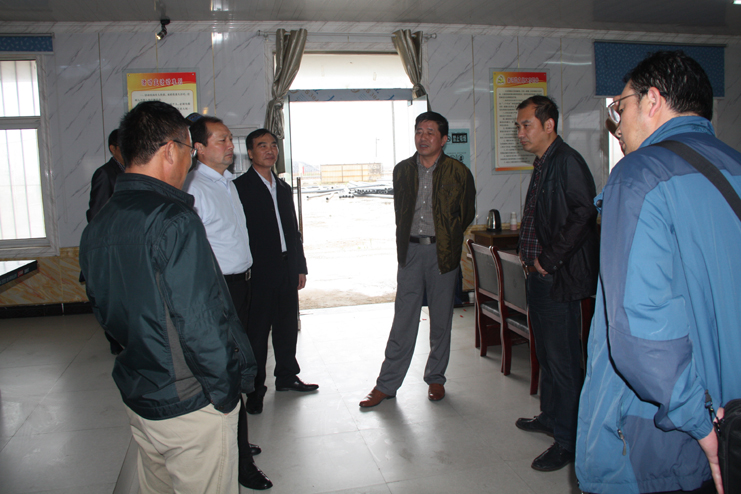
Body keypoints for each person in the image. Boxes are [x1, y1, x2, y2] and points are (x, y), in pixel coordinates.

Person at [577, 50, 741, 494]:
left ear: (652, 100)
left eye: (621, 108)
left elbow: (641, 331)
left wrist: (698, 421)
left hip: (661, 433)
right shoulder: (735, 166)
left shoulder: (639, 175)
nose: (617, 125)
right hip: (732, 411)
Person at [79, 101, 256, 494]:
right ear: (171, 150)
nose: (191, 162)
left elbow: (106, 312)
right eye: (191, 151)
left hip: (142, 393)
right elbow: (200, 320)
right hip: (190, 401)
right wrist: (224, 392)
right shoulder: (174, 219)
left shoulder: (100, 224)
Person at [359, 111, 475, 408]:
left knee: (441, 319)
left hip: (442, 252)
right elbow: (400, 210)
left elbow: (466, 213)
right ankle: (386, 384)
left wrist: (446, 237)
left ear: (443, 139)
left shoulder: (459, 172)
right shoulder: (402, 171)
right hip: (410, 252)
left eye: (430, 132)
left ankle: (436, 377)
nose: (423, 137)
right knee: (403, 318)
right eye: (419, 131)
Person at [183, 115, 271, 490]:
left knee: (241, 363)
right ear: (198, 148)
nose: (230, 145)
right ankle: (240, 465)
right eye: (220, 140)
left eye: (229, 139)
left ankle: (235, 438)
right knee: (227, 370)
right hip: (219, 290)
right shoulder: (194, 188)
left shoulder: (227, 183)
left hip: (243, 285)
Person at [513, 95, 599, 472]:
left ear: (549, 125)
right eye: (518, 126)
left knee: (563, 362)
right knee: (547, 355)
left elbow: (584, 213)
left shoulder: (567, 161)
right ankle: (550, 416)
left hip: (557, 278)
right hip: (539, 277)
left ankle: (569, 441)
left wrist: (547, 260)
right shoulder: (544, 162)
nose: (520, 133)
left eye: (526, 125)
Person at [233, 128, 316, 415]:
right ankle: (255, 390)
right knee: (257, 334)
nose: (269, 150)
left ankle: (287, 377)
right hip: (257, 271)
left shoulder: (282, 187)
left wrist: (299, 266)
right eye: (262, 146)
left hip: (286, 267)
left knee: (286, 327)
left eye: (273, 145)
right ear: (250, 153)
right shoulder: (239, 188)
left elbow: (292, 230)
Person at [84, 128, 125, 355]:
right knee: (112, 299)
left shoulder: (130, 171)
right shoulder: (106, 173)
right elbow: (96, 214)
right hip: (111, 248)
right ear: (113, 149)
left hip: (126, 246)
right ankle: (116, 341)